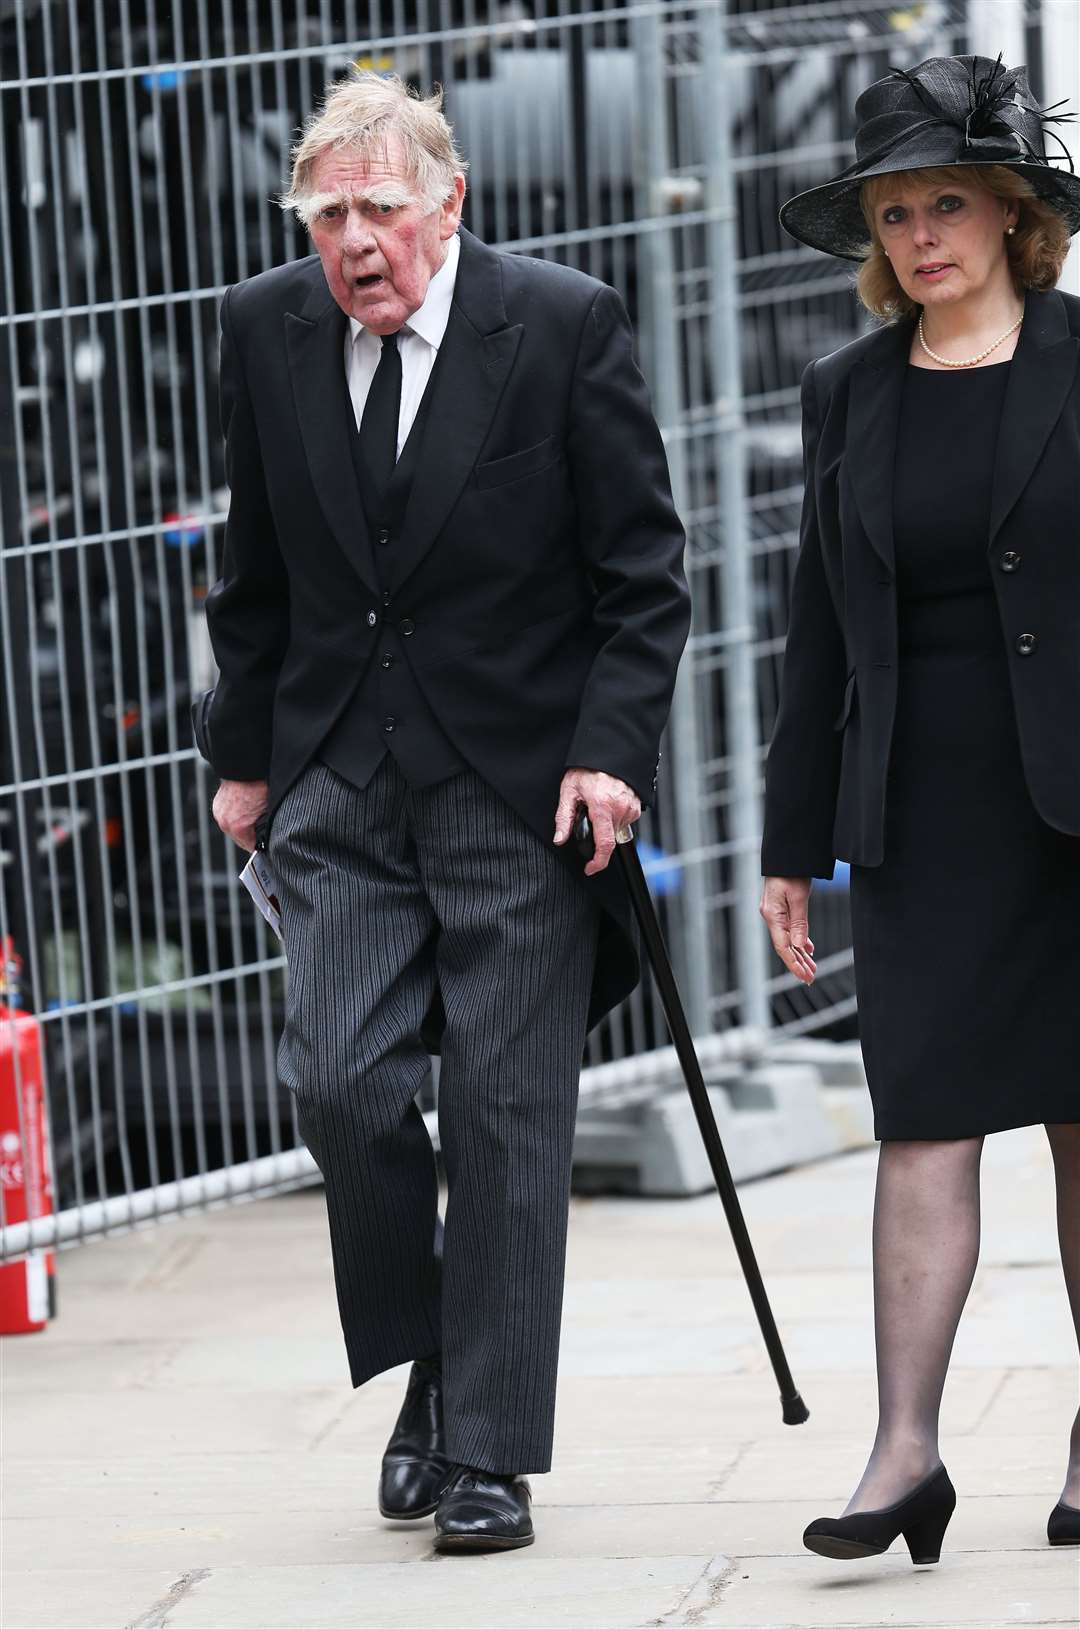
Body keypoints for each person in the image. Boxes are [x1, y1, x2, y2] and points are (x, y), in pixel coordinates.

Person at [199, 69, 689, 1554]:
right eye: (329, 213)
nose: (354, 242)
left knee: (503, 1108)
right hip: (339, 773)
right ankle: (428, 1364)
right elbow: (257, 564)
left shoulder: (556, 326)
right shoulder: (267, 328)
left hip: (517, 783)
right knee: (344, 1081)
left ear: (448, 201)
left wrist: (611, 753)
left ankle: (485, 1448)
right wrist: (244, 754)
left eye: (381, 209)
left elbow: (643, 574)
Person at [760, 53, 1080, 1565]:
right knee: (924, 1125)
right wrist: (787, 843)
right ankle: (903, 1454)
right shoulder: (847, 394)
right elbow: (812, 628)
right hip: (924, 809)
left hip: (1079, 805)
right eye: (894, 214)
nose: (920, 235)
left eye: (947, 203)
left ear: (1011, 216)